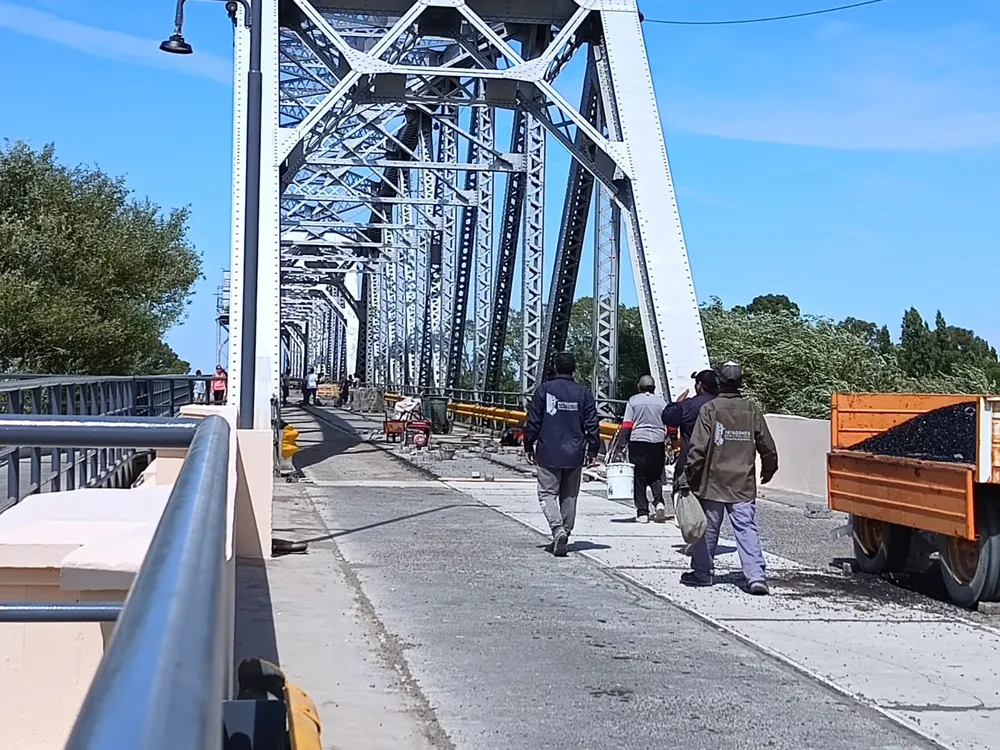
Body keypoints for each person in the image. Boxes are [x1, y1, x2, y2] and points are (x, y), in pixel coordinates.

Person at [681, 362, 778, 595]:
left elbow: (698, 448)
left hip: (713, 481)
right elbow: (767, 444)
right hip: (742, 483)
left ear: (719, 382)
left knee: (708, 529)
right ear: (741, 383)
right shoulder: (752, 410)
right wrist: (769, 467)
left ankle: (703, 574)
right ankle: (756, 577)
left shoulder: (711, 409)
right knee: (746, 528)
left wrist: (689, 475)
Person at [524, 352, 601, 557]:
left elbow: (533, 421)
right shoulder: (583, 393)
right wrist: (593, 449)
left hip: (549, 450)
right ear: (573, 369)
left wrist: (528, 444)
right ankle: (565, 533)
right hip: (575, 452)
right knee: (570, 496)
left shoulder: (544, 390)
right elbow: (592, 423)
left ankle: (558, 530)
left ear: (555, 368)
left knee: (547, 493)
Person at [616, 375, 668, 523]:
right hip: (657, 442)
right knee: (655, 475)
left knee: (639, 477)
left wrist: (621, 443)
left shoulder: (633, 401)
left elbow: (627, 425)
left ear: (639, 387)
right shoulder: (661, 402)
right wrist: (672, 436)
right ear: (654, 388)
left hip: (638, 442)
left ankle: (643, 512)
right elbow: (668, 422)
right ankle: (659, 503)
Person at [662, 369, 719, 503]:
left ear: (699, 385)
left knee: (683, 500)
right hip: (718, 461)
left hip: (689, 460)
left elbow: (668, 417)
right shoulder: (724, 405)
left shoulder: (688, 405)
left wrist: (678, 403)